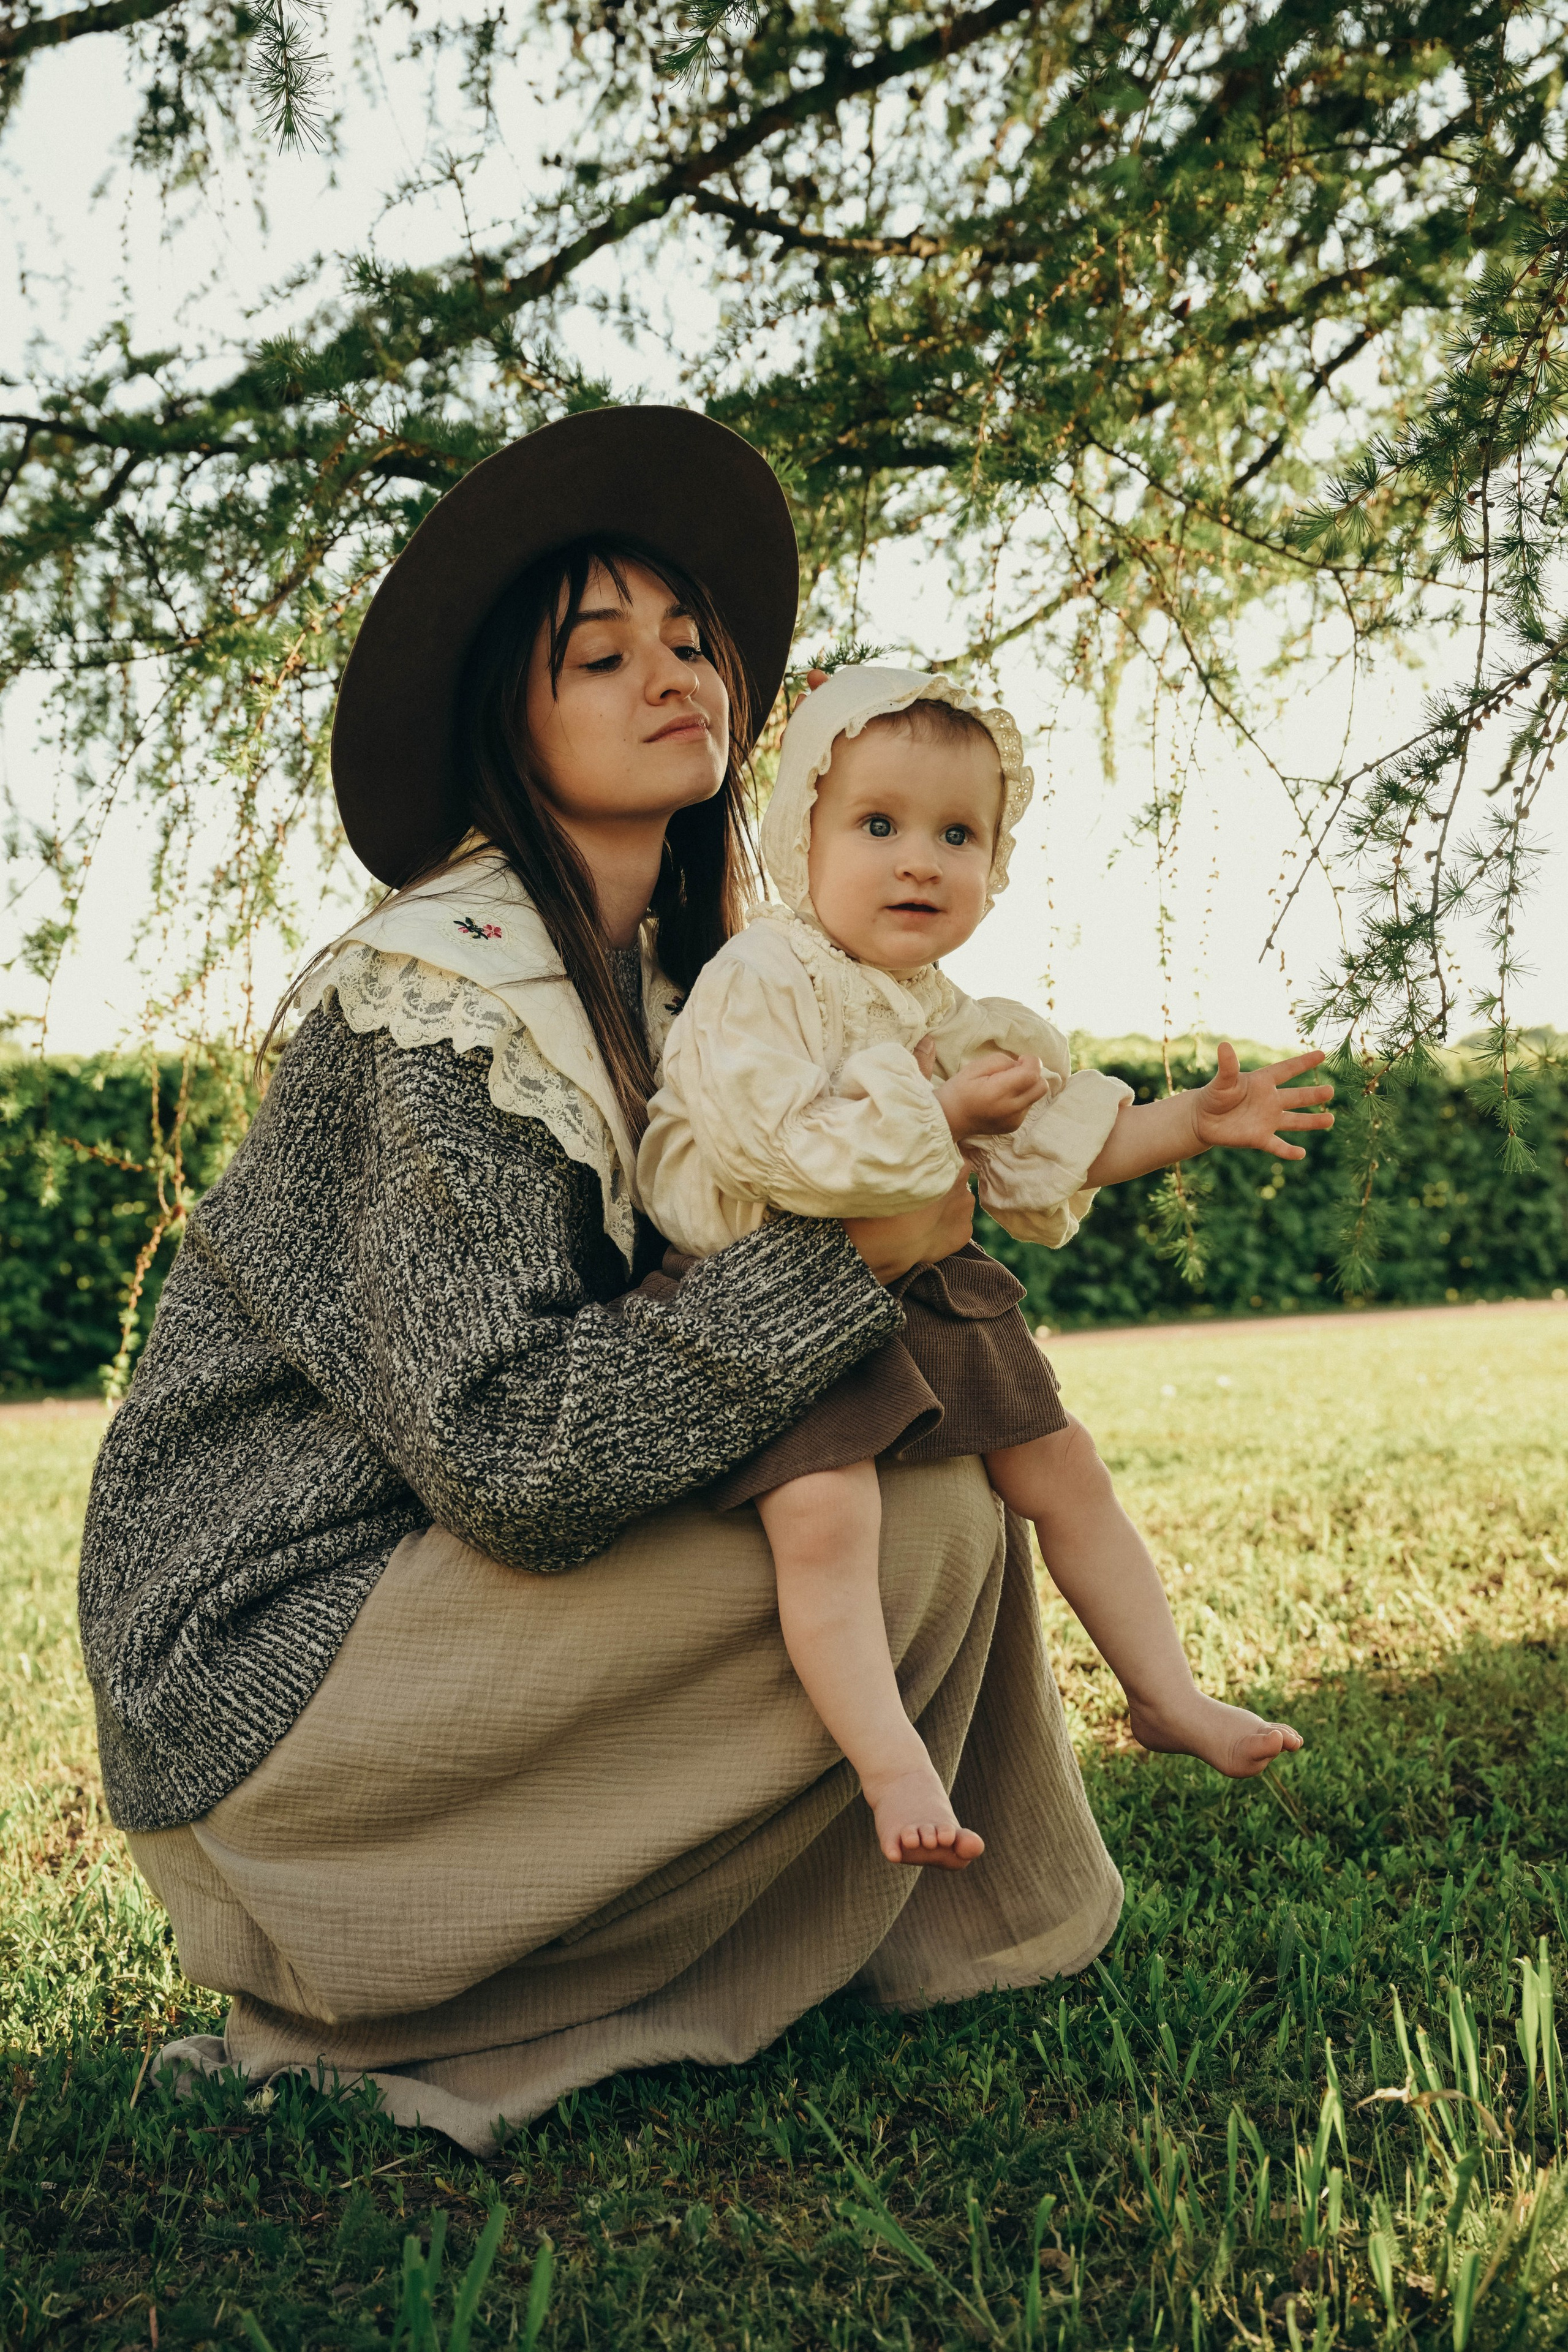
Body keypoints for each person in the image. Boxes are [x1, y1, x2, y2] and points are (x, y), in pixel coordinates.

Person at [77, 408, 1130, 2160]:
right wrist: (847, 1255)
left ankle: (861, 1925)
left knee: (929, 1485)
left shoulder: (672, 1000)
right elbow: (514, 1453)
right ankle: (432, 1992)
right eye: (603, 653)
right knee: (914, 1524)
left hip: (424, 1601)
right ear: (514, 711)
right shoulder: (441, 1007)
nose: (678, 675)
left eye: (692, 641)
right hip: (270, 1678)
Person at [639, 666, 1329, 1869]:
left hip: (920, 1291)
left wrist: (1183, 1120)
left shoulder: (951, 1009)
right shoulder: (759, 982)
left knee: (1063, 1467)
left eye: (957, 834)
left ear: (994, 864)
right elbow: (787, 1149)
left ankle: (1164, 1692)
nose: (919, 860)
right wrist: (934, 1105)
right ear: (802, 832)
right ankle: (889, 1762)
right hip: (774, 1297)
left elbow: (1046, 1146)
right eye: (877, 824)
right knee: (822, 1511)